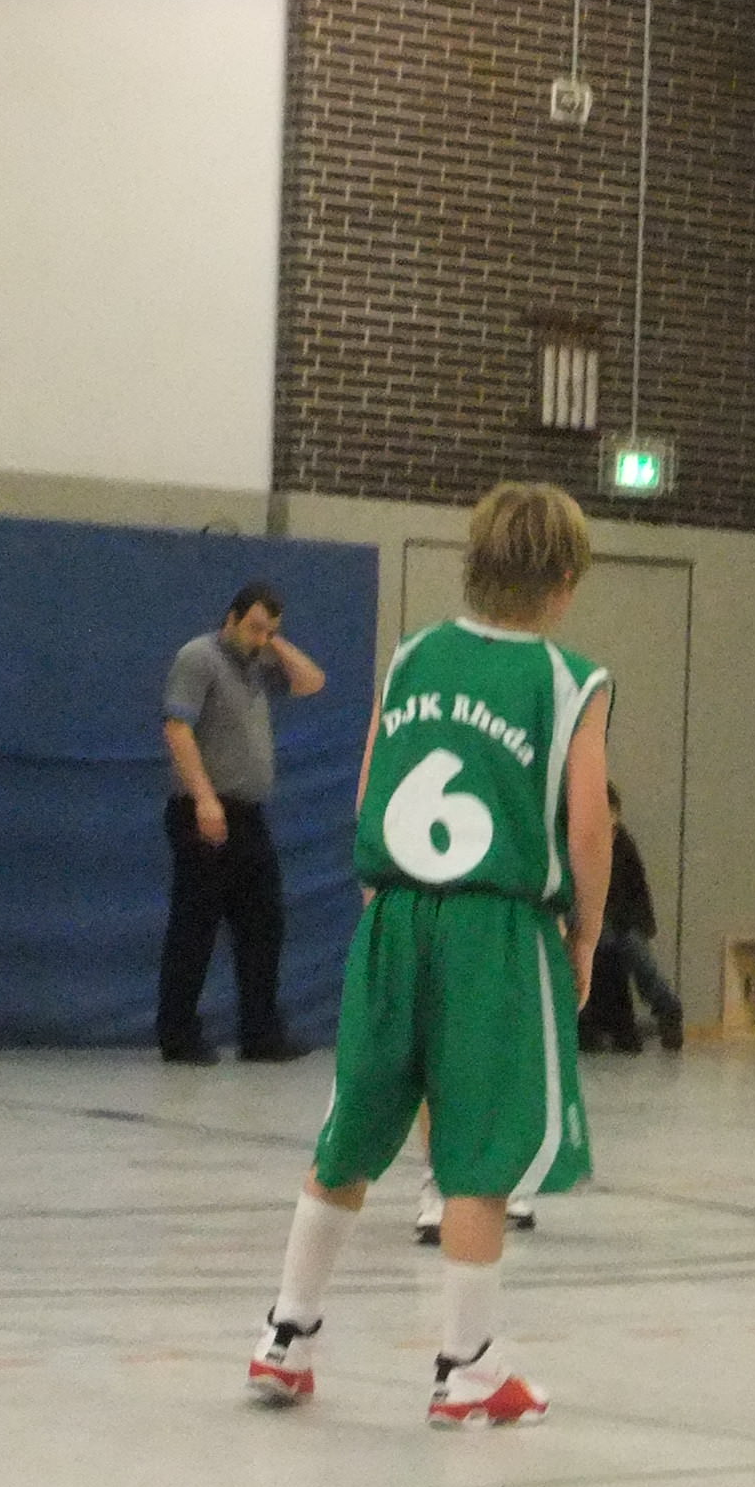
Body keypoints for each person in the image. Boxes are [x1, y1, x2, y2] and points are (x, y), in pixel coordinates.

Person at [246, 483, 611, 1427]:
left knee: (352, 1129)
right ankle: (467, 1368)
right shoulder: (570, 680)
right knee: (477, 1151)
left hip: (396, 911)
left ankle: (286, 1335)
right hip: (496, 926)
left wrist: (387, 901)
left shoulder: (411, 656)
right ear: (564, 582)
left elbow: (371, 785)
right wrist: (586, 933)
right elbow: (587, 825)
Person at [158, 581, 328, 1065]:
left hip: (249, 815)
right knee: (196, 924)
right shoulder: (199, 657)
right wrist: (204, 798)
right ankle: (178, 1034)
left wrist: (274, 643)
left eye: (268, 630)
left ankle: (261, 1033)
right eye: (254, 627)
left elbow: (312, 681)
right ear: (230, 618)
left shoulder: (259, 663)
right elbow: (177, 728)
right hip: (205, 808)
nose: (260, 638)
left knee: (263, 923)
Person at [580, 782, 685, 1052]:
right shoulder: (582, 844)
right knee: (600, 946)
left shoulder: (624, 844)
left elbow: (637, 889)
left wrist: (640, 924)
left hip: (624, 920)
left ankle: (667, 1008)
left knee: (639, 956)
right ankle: (590, 1022)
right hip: (591, 920)